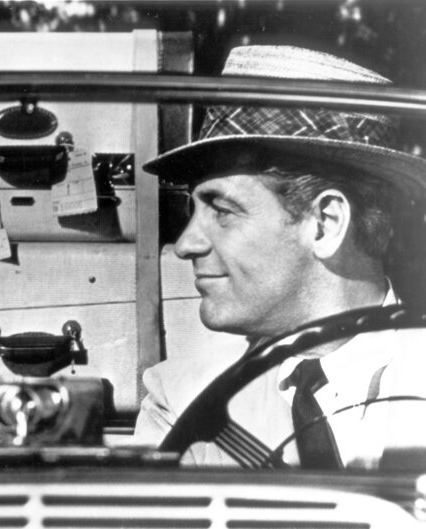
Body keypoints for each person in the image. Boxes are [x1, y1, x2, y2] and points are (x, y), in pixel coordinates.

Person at [133, 45, 426, 468]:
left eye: (222, 211)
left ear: (324, 224)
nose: (185, 244)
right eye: (191, 211)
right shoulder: (182, 401)